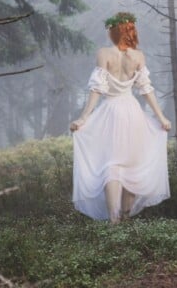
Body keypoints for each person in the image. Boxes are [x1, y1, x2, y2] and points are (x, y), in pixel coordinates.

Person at [70, 12, 171, 223]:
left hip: (111, 111)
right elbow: (146, 89)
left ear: (116, 32)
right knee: (130, 165)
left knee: (111, 166)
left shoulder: (104, 53)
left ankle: (114, 219)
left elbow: (97, 89)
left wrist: (84, 118)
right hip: (132, 112)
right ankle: (124, 218)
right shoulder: (138, 56)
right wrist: (160, 117)